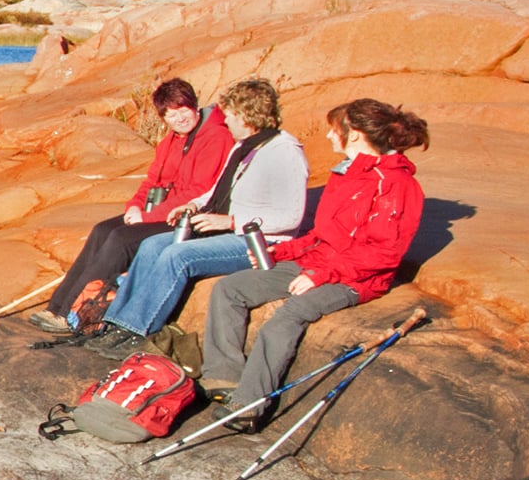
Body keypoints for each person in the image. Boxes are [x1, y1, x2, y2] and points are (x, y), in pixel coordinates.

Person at [200, 97, 430, 425]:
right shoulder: (347, 174)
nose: (328, 137)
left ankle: (249, 407)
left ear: (354, 134)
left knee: (290, 312)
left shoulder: (396, 184)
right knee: (230, 289)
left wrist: (322, 274)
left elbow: (383, 253)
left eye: (334, 130)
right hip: (318, 261)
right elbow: (322, 235)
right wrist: (281, 252)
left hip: (356, 278)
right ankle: (224, 378)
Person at [78, 78, 308, 348]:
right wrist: (194, 205)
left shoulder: (283, 152)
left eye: (230, 115)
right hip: (222, 229)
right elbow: (215, 192)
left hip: (258, 242)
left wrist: (231, 220)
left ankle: (135, 331)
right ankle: (116, 322)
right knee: (151, 246)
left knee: (177, 255)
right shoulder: (243, 145)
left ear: (247, 116)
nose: (225, 121)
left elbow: (291, 217)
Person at [26, 78, 231, 334]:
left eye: (183, 110)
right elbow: (152, 181)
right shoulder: (172, 140)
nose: (179, 118)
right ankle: (57, 306)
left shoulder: (215, 136)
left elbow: (198, 192)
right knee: (102, 229)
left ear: (194, 105)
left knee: (122, 239)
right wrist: (135, 206)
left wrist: (148, 217)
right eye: (171, 114)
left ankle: (75, 314)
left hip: (190, 215)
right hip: (161, 212)